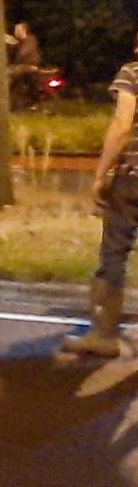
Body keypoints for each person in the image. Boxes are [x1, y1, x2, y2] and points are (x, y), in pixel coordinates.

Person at [62, 31, 138, 357]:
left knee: (114, 252)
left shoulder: (132, 72)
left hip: (133, 177)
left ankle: (104, 334)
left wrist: (101, 172)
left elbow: (122, 124)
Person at [7, 22, 43, 104]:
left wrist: (15, 44)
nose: (15, 31)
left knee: (9, 73)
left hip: (30, 65)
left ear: (24, 31)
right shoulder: (19, 42)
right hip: (21, 66)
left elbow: (23, 53)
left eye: (18, 29)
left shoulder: (31, 39)